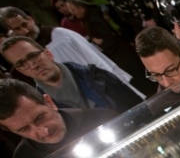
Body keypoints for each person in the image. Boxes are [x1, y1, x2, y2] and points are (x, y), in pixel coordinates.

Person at [0, 6, 151, 97]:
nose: (25, 31)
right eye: (17, 29)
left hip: (105, 87)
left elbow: (96, 60)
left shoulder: (61, 36)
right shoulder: (24, 59)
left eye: (24, 24)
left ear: (31, 19)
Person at [1, 36, 142, 113]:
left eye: (33, 56)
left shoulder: (98, 76)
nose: (32, 65)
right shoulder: (42, 107)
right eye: (22, 63)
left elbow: (139, 108)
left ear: (48, 53)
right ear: (20, 71)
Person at [0, 79, 118, 158]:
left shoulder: (105, 119)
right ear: (11, 131)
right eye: (24, 129)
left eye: (40, 118)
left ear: (50, 102)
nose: (43, 131)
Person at [66, 0, 149, 88]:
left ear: (80, 7)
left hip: (117, 48)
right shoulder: (86, 18)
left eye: (74, 10)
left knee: (134, 68)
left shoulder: (94, 16)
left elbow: (107, 35)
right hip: (112, 50)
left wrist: (97, 41)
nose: (73, 14)